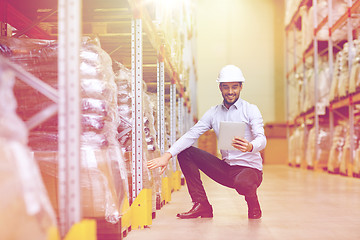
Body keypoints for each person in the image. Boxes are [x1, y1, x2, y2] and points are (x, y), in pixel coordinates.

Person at [147, 65, 266, 219]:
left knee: (243, 182)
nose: (230, 92)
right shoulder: (214, 113)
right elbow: (191, 134)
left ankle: (253, 203)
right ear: (220, 88)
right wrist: (167, 155)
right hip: (227, 169)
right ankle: (201, 204)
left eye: (235, 87)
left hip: (250, 171)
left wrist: (251, 146)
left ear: (241, 87)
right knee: (186, 152)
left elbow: (262, 139)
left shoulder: (251, 110)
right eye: (226, 87)